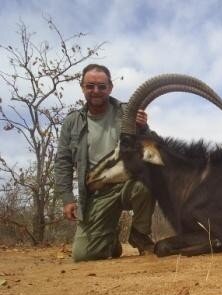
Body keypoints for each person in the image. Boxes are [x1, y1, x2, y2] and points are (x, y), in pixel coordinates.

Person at [55, 64, 155, 262]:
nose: (96, 91)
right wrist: (67, 198)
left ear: (110, 87)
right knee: (83, 255)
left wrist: (143, 128)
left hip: (128, 183)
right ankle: (110, 241)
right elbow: (63, 161)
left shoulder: (128, 111)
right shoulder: (72, 122)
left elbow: (151, 148)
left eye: (101, 86)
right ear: (82, 87)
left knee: (149, 181)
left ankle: (139, 235)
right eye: (90, 86)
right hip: (98, 193)